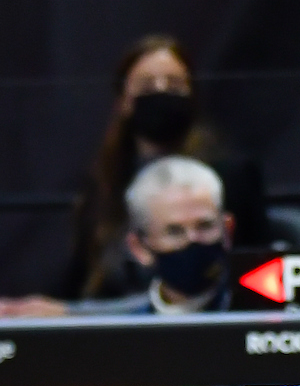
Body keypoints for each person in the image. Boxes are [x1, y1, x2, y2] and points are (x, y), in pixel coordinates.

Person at [59, 36, 266, 301]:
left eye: (174, 84)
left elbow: (255, 269)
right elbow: (81, 277)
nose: (161, 92)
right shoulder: (104, 181)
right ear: (123, 101)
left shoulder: (232, 177)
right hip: (114, 316)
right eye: (147, 86)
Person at [79, 156, 238, 315]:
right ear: (138, 247)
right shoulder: (124, 323)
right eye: (174, 231)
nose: (192, 239)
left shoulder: (250, 312)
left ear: (227, 229)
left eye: (205, 226)